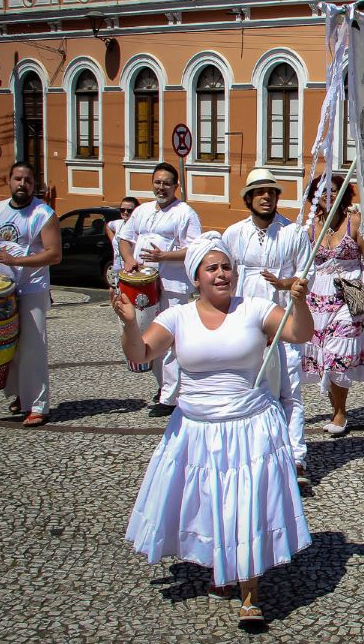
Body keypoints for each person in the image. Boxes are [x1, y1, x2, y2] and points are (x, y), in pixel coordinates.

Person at [118, 232, 312, 626]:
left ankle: (249, 593)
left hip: (250, 426)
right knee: (209, 502)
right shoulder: (176, 317)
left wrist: (299, 302)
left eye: (227, 267)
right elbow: (140, 355)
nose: (222, 274)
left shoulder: (255, 308)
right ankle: (223, 567)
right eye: (213, 268)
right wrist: (128, 325)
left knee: (246, 504)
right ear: (196, 278)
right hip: (196, 428)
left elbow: (299, 333)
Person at [223, 168, 314, 486]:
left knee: (290, 394)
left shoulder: (293, 233)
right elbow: (225, 277)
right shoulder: (234, 234)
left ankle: (296, 460)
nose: (266, 197)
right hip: (246, 328)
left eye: (271, 192)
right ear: (248, 198)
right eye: (259, 192)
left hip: (284, 326)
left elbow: (308, 275)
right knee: (249, 393)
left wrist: (287, 282)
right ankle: (252, 459)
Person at [0, 161, 62, 427]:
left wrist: (17, 262)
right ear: (9, 181)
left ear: (34, 185)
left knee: (33, 348)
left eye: (28, 180)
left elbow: (54, 254)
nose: (22, 184)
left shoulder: (43, 214)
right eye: (18, 179)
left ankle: (38, 405)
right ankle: (20, 396)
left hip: (32, 287)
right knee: (5, 345)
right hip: (1, 288)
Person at [302, 175, 364, 435]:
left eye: (334, 191)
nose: (329, 196)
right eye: (323, 191)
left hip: (350, 296)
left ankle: (340, 412)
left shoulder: (356, 222)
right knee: (324, 356)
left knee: (337, 355)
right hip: (318, 297)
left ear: (343, 194)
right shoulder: (310, 227)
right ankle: (338, 409)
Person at [117, 162, 202, 414]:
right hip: (144, 286)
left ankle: (171, 398)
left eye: (167, 183)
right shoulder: (141, 211)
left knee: (171, 339)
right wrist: (129, 260)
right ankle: (163, 387)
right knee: (148, 337)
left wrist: (165, 256)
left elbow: (195, 248)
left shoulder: (185, 213)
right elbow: (124, 239)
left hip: (172, 285)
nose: (161, 187)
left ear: (176, 186)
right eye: (158, 182)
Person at [105, 196, 139, 284]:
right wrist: (113, 240)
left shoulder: (139, 227)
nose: (125, 212)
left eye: (129, 210)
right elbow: (108, 226)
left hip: (131, 269)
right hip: (117, 268)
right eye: (122, 210)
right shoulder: (117, 223)